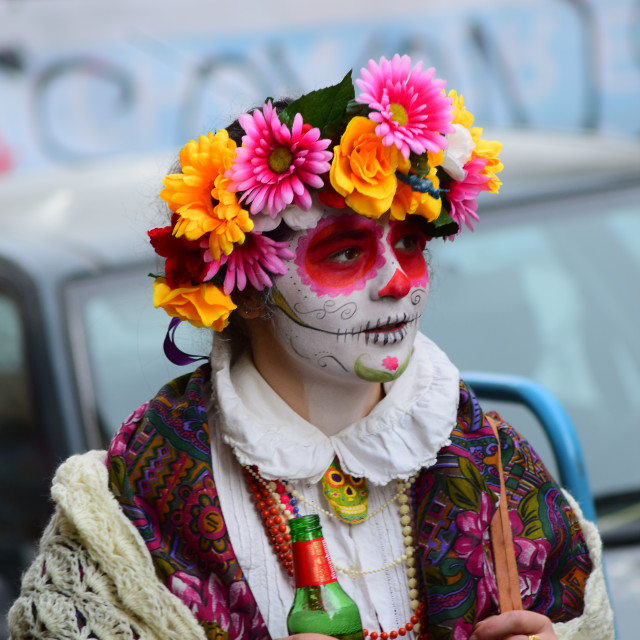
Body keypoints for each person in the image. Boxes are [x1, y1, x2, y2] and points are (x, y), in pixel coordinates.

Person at [8, 54, 614, 640]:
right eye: (345, 253)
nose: (398, 280)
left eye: (408, 244)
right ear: (244, 284)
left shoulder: (498, 463)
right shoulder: (130, 503)